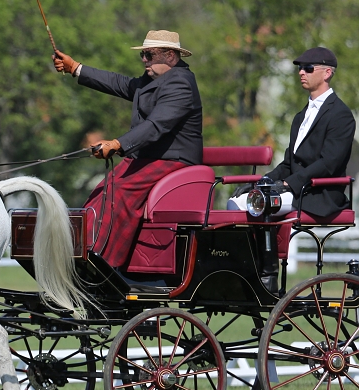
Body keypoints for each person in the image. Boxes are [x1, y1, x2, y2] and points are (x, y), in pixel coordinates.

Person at [53, 30, 203, 268]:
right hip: (150, 159)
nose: (144, 60)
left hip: (174, 161)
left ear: (171, 56)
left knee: (118, 192)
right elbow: (120, 83)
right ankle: (77, 250)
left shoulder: (180, 84)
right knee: (103, 189)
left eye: (149, 55)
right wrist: (76, 68)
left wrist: (117, 144)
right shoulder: (153, 80)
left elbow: (157, 125)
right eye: (143, 54)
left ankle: (102, 261)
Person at [227, 47, 355, 217]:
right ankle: (260, 244)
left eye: (308, 68)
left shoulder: (341, 115)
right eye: (299, 68)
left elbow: (329, 164)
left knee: (254, 203)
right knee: (235, 201)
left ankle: (265, 244)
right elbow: (289, 163)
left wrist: (288, 184)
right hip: (295, 190)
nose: (302, 72)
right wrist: (260, 183)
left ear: (327, 73)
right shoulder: (300, 116)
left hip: (319, 195)